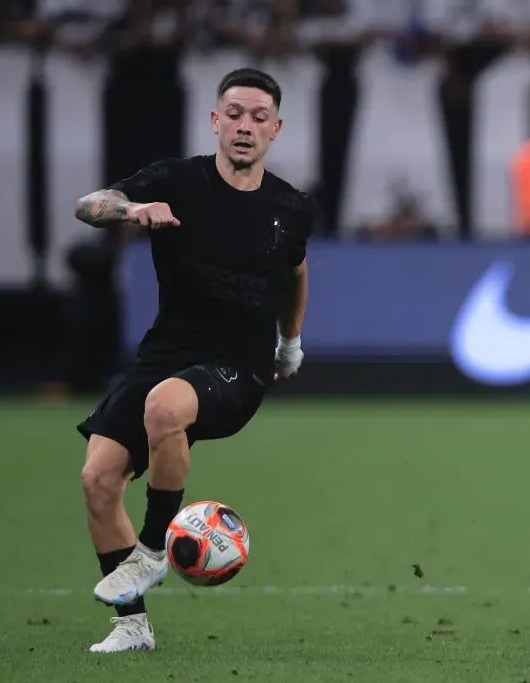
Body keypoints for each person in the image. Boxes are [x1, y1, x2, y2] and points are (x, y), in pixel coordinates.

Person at [72, 67, 314, 653]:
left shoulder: (289, 207)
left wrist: (289, 345)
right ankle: (132, 626)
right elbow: (88, 205)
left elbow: (296, 275)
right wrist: (133, 212)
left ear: (276, 129)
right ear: (215, 120)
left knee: (164, 407)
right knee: (98, 480)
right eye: (234, 113)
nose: (244, 126)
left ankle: (153, 550)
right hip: (168, 351)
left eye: (258, 117)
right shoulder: (176, 181)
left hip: (240, 363)